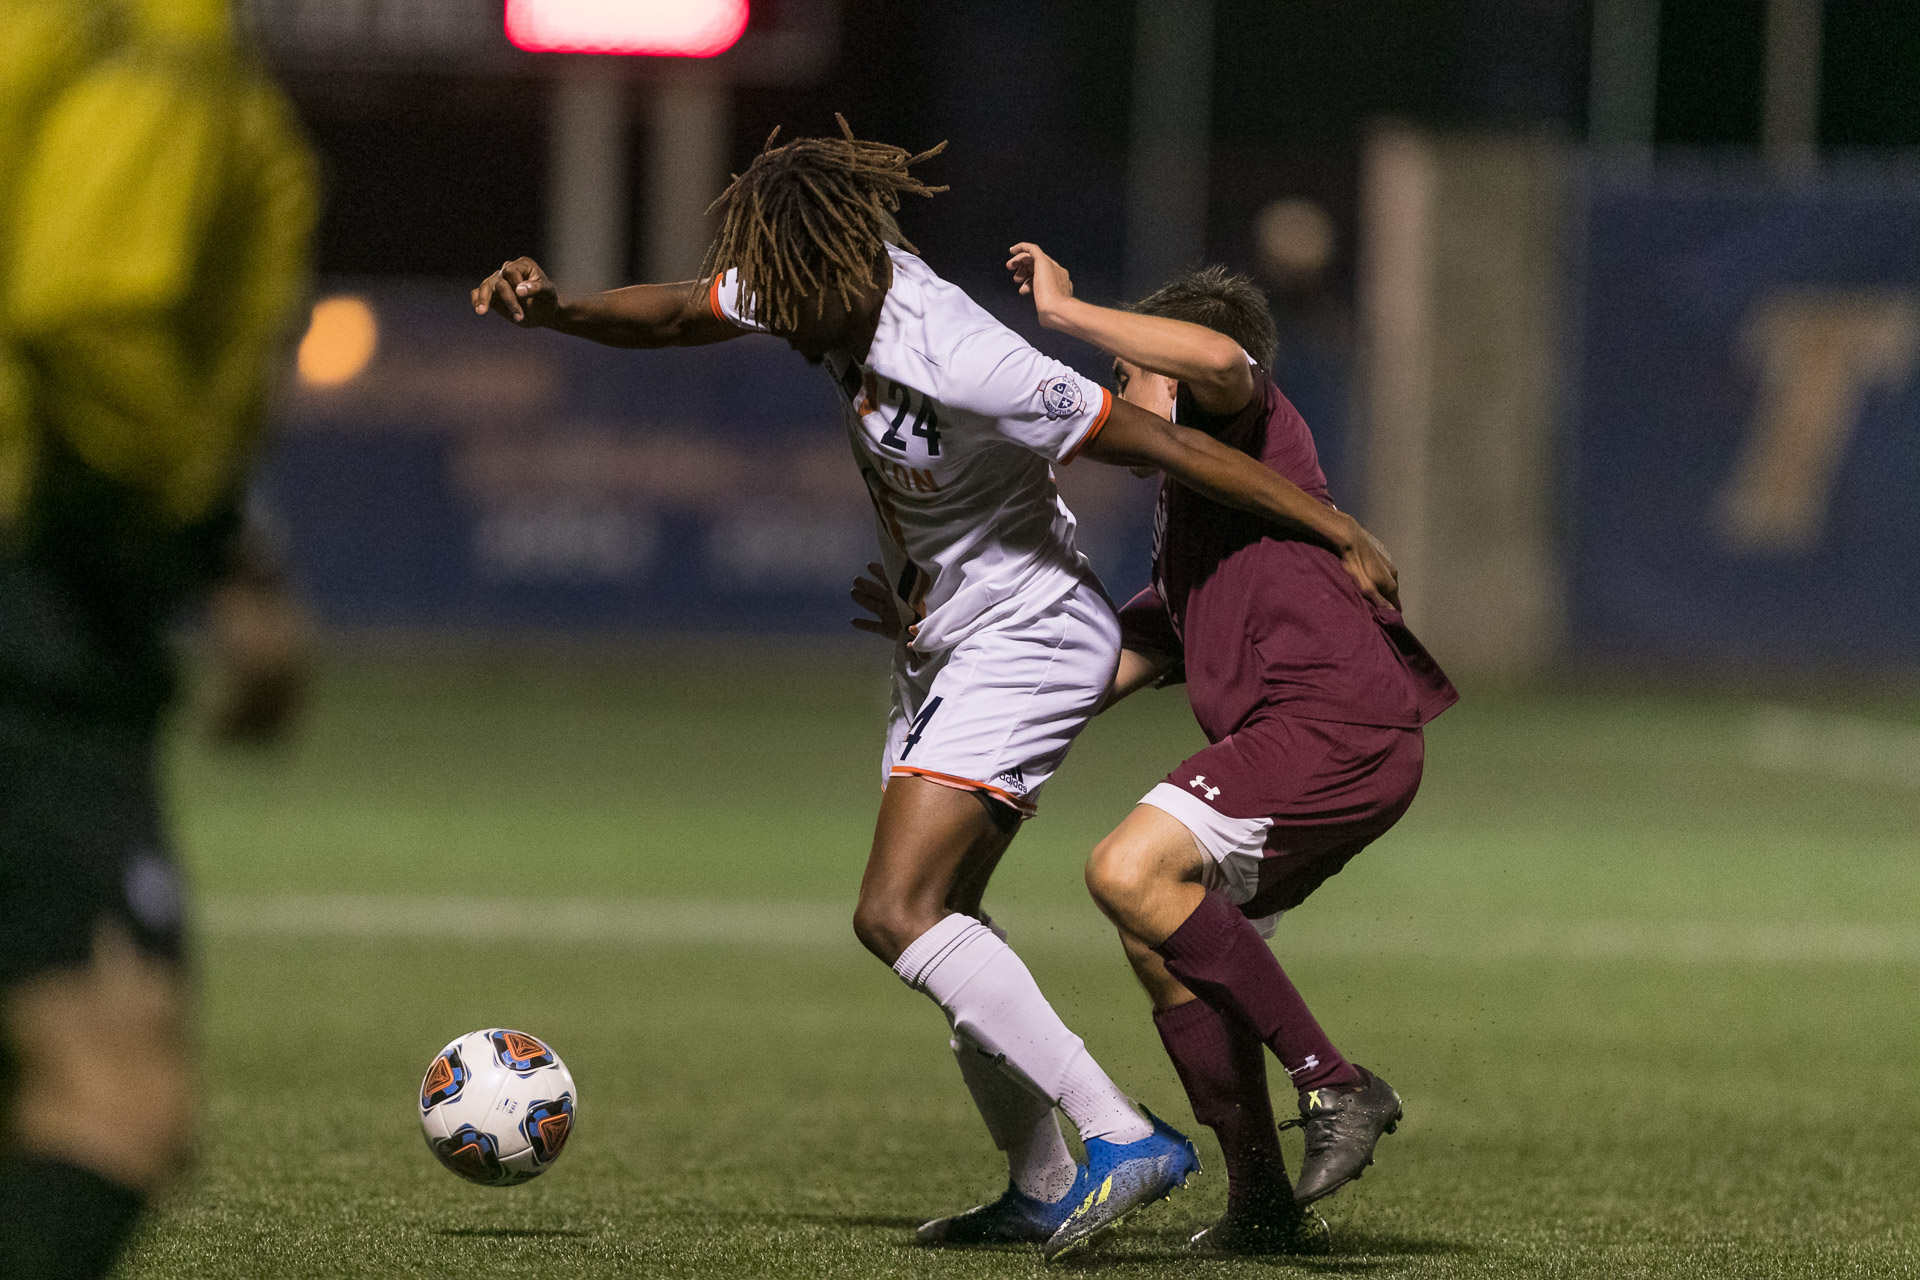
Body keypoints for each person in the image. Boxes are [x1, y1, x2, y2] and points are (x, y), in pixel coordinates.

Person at [473, 119, 1402, 1261]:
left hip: (1031, 635)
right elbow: (677, 310)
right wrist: (559, 307)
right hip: (951, 638)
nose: (768, 307)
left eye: (785, 289)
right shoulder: (809, 287)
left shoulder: (963, 353)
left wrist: (1332, 518)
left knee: (894, 910)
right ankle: (1040, 1176)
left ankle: (1124, 1135)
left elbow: (1162, 448)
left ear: (843, 267)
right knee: (942, 918)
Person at [1002, 244, 1457, 1254]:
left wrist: (1073, 310)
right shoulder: (1196, 517)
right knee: (1152, 926)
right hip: (1327, 738)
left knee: (1126, 864)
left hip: (1331, 722)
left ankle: (1336, 1082)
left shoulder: (1242, 420)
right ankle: (1260, 1200)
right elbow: (1133, 650)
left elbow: (1217, 353)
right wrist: (1008, 733)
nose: (1117, 393)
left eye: (1129, 376)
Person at [0, 1, 318, 1276]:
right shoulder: (153, 26)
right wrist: (213, 546)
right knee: (111, 1092)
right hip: (33, 573)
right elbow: (90, 311)